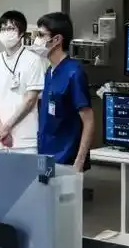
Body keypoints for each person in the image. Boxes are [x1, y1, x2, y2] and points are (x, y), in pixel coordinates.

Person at [33, 12, 94, 172]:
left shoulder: (74, 72)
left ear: (57, 39)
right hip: (46, 155)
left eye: (41, 35)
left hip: (67, 159)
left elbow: (88, 121)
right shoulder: (49, 72)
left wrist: (79, 162)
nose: (36, 40)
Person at [0, 10, 44, 152]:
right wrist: (0, 129)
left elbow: (30, 100)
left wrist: (7, 127)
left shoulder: (33, 61)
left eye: (11, 28)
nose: (6, 33)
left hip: (25, 139)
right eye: (2, 29)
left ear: (21, 33)